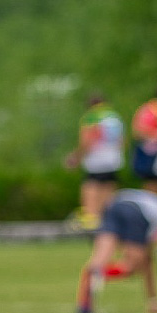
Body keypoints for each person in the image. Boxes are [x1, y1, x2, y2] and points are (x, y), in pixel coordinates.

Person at [63, 93, 123, 227]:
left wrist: (76, 157)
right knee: (109, 187)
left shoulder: (91, 117)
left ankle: (90, 217)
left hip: (96, 160)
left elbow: (87, 141)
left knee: (91, 186)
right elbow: (121, 141)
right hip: (113, 159)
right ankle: (107, 218)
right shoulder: (114, 117)